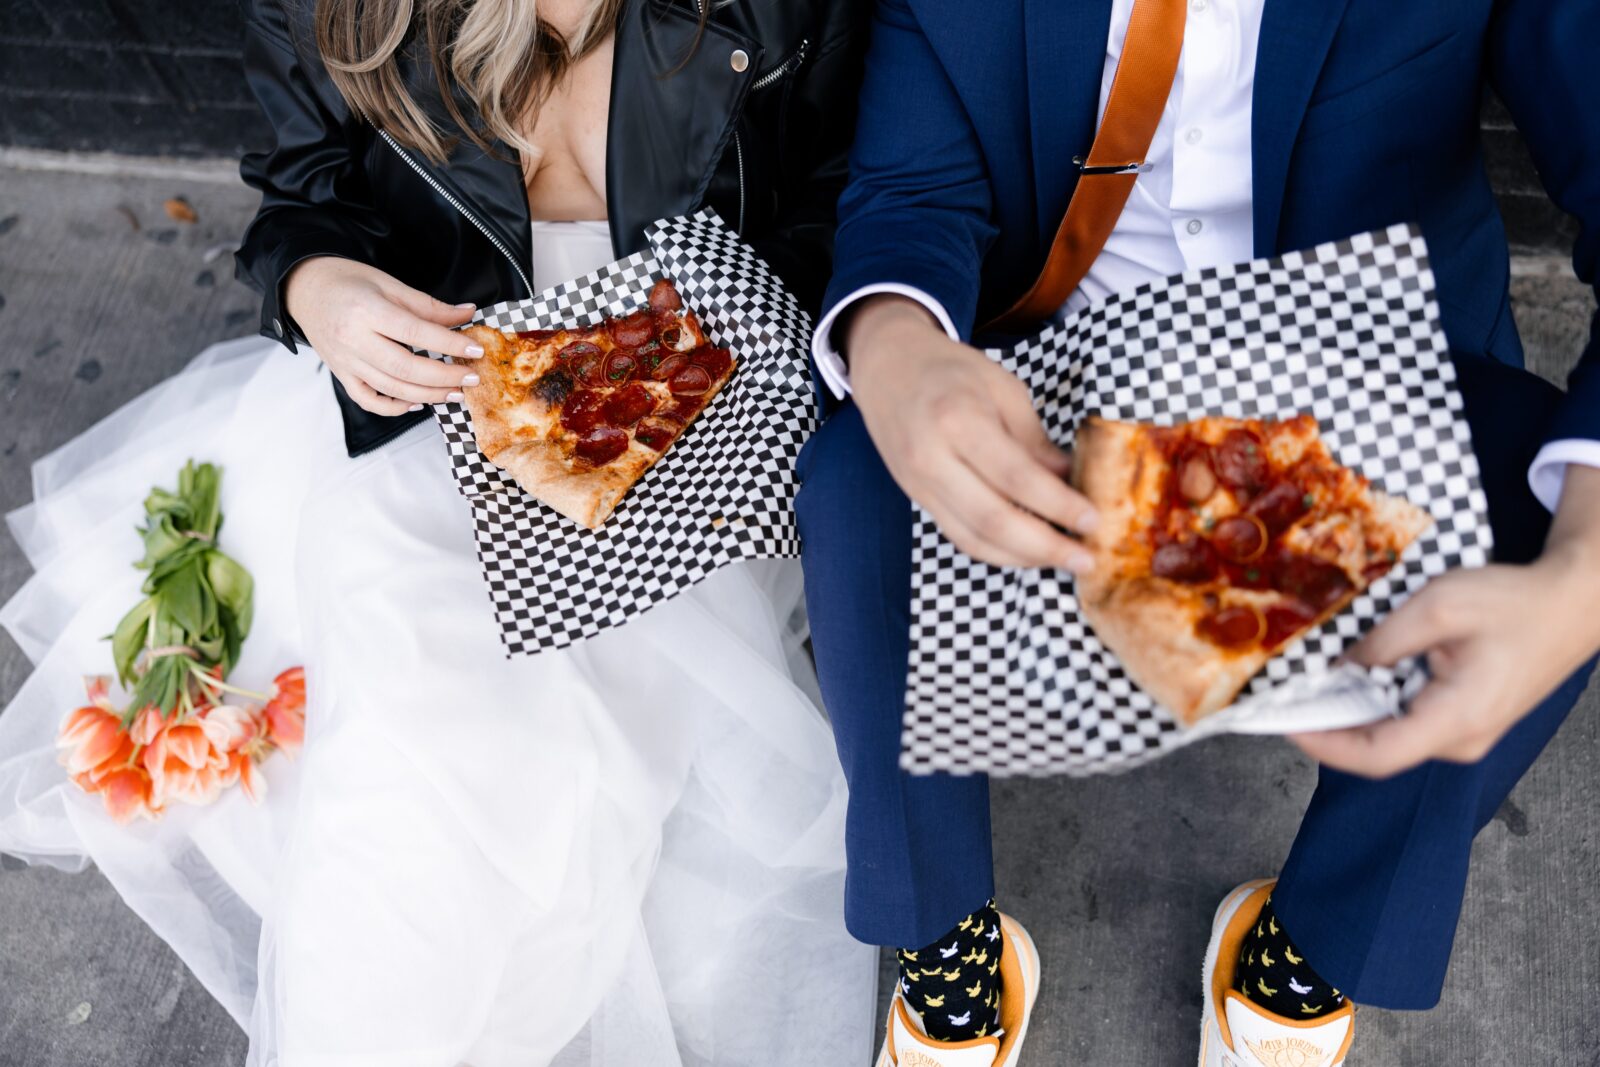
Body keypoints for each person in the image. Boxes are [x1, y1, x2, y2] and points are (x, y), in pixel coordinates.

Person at [0, 0, 876, 1063]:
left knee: (592, 776)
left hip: (687, 412)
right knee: (404, 769)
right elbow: (300, 199)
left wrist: (668, 359)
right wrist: (318, 292)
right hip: (429, 420)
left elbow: (854, 201)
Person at [796, 1, 1600, 1064]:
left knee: (1551, 527)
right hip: (1061, 369)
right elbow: (912, 188)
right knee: (857, 479)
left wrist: (1585, 570)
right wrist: (891, 341)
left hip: (1364, 377)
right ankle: (947, 951)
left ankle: (1304, 952)